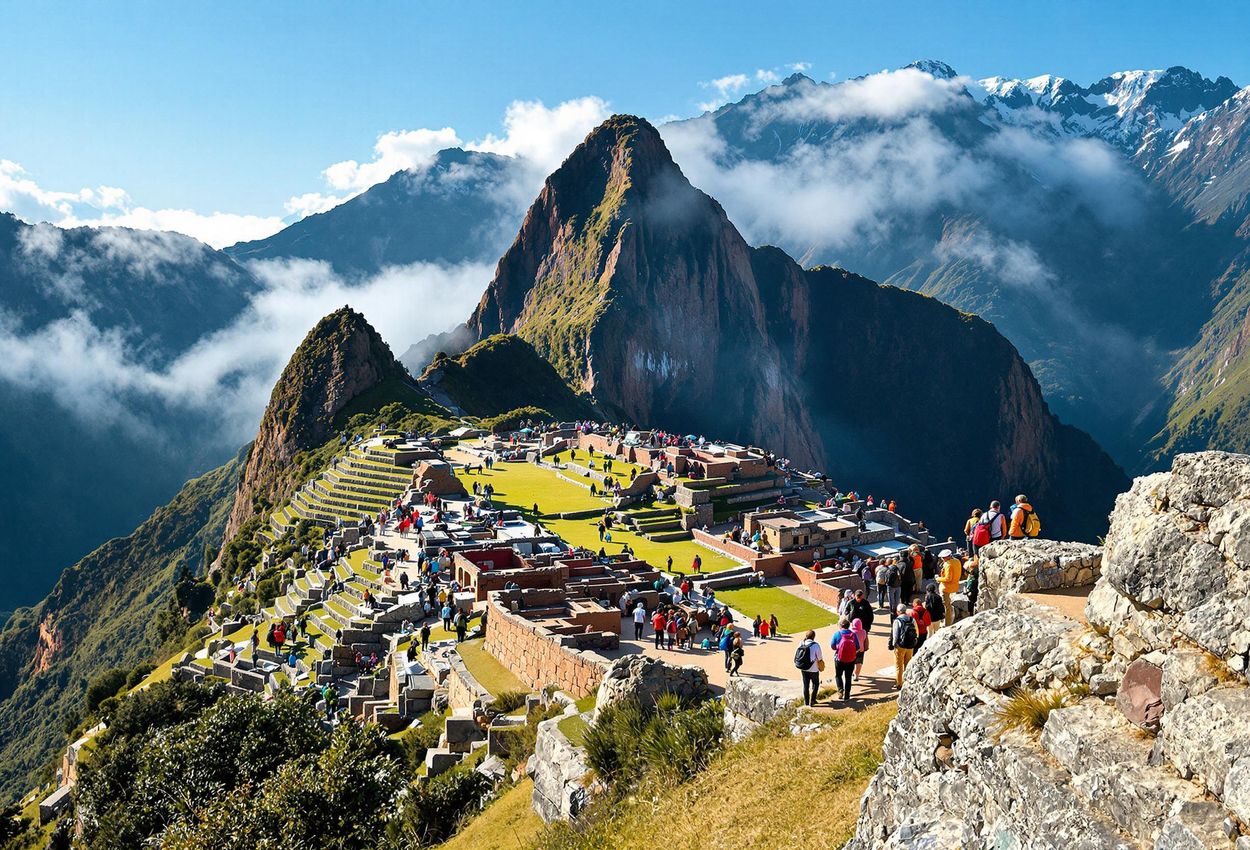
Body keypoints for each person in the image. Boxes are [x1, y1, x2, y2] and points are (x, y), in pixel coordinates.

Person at [830, 617, 860, 701]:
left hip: (839, 659)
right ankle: (847, 695)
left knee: (838, 675)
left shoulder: (837, 634)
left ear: (840, 625)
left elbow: (832, 646)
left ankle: (840, 690)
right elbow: (858, 647)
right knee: (848, 677)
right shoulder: (853, 634)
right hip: (851, 660)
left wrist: (838, 648)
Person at [889, 604, 918, 690]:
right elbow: (916, 631)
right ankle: (907, 681)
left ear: (898, 612)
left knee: (899, 665)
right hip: (910, 645)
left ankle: (899, 683)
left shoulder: (897, 621)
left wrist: (894, 645)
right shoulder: (912, 619)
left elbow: (895, 635)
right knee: (908, 664)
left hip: (900, 646)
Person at [795, 629, 824, 707]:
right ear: (814, 637)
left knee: (806, 685)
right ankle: (813, 700)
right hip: (814, 669)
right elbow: (820, 658)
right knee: (816, 684)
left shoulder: (801, 643)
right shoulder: (816, 645)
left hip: (804, 668)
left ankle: (806, 702)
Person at [937, 549, 962, 626]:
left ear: (946, 557)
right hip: (954, 586)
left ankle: (947, 624)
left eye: (942, 557)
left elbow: (948, 578)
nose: (942, 559)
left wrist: (938, 579)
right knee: (949, 604)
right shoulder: (957, 561)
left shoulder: (948, 564)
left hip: (946, 588)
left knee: (946, 606)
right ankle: (952, 616)